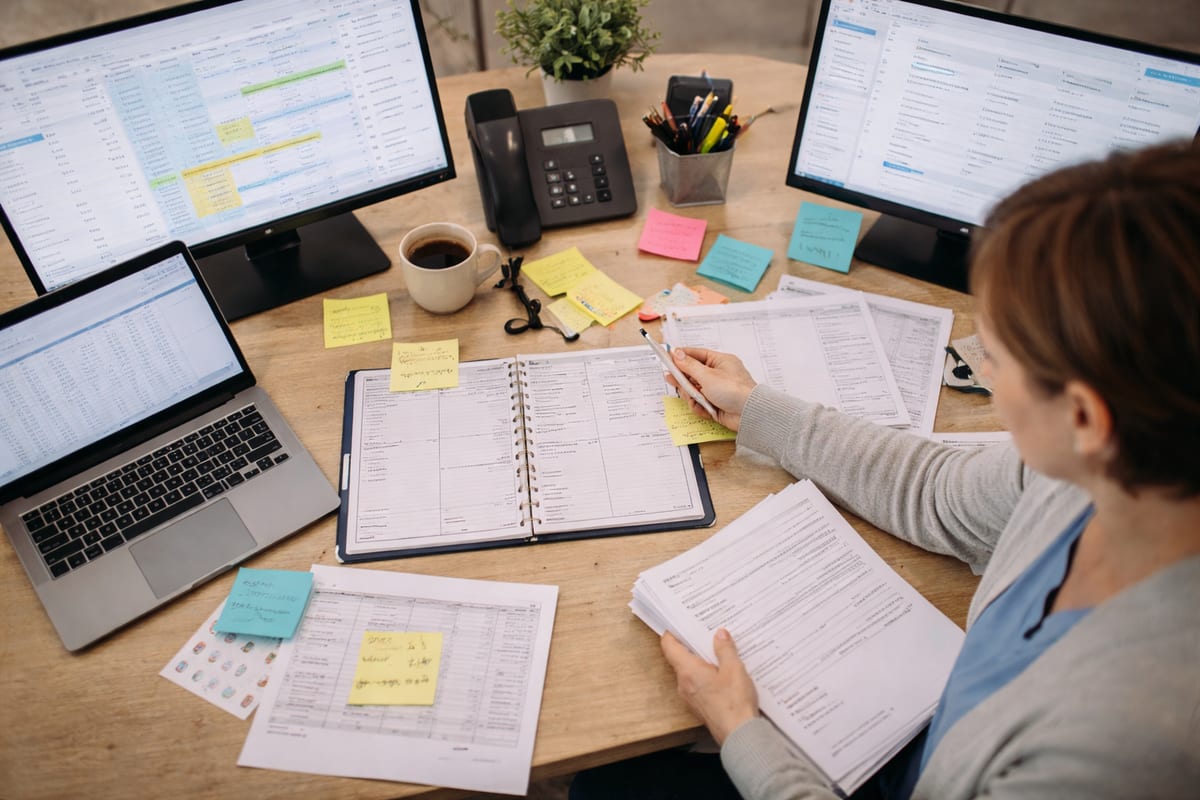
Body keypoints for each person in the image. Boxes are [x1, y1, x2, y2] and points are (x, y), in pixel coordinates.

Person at [571, 139, 1200, 800]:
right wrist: (758, 409)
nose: (982, 370)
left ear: (1084, 418)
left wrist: (741, 731)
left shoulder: (1120, 748)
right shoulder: (1100, 474)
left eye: (997, 354)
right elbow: (935, 490)